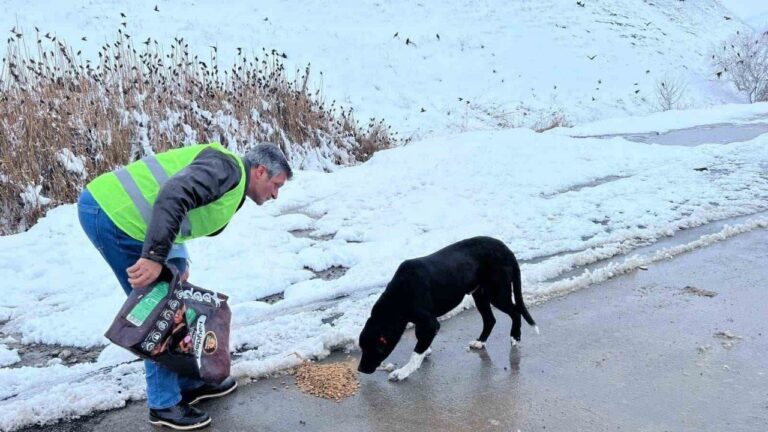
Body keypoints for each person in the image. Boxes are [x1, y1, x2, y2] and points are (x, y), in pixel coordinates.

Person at [78, 142, 292, 430]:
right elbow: (173, 195)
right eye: (276, 185)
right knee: (159, 309)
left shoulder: (231, 178)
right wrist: (155, 257)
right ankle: (164, 404)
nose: (276, 195)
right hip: (114, 215)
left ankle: (188, 383)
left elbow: (182, 208)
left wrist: (176, 257)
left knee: (171, 294)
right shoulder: (227, 169)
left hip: (129, 218)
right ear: (260, 171)